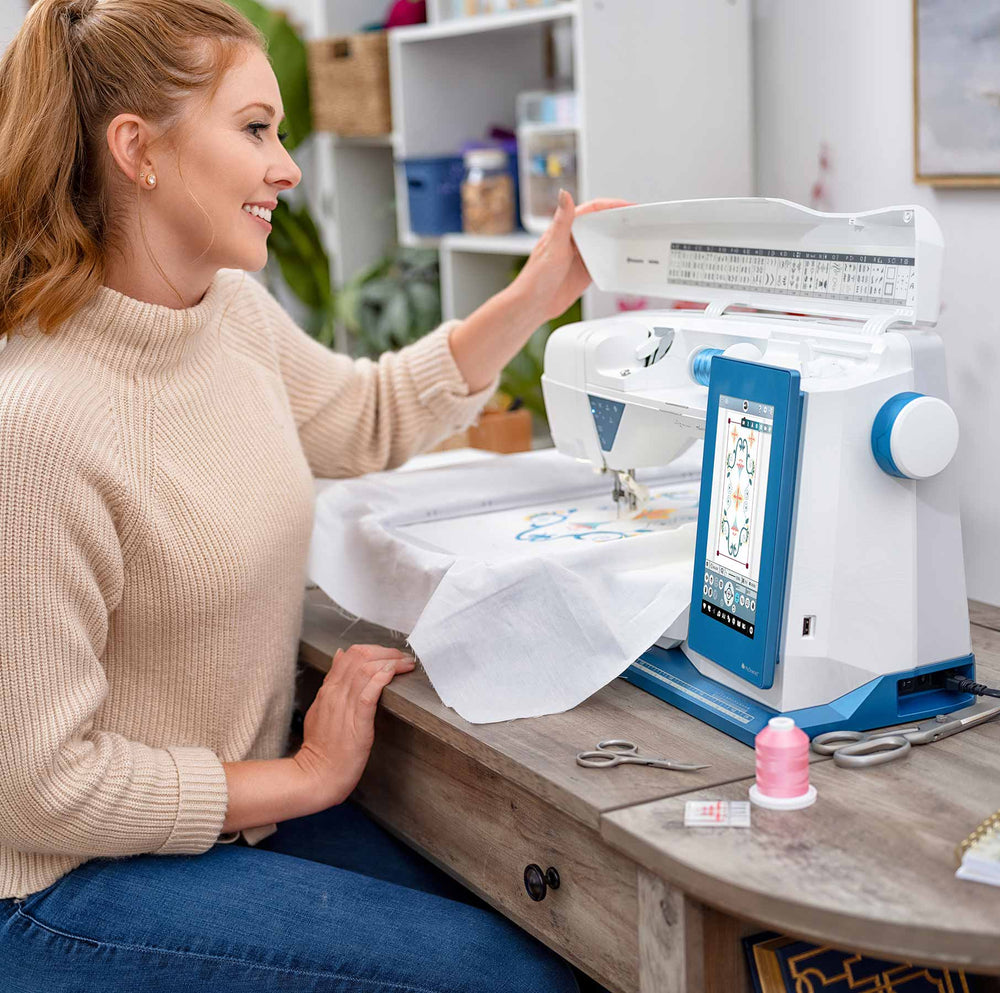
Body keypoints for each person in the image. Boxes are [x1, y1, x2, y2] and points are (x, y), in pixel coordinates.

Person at [0, 0, 628, 990]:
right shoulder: (36, 425)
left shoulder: (227, 318)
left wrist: (538, 290)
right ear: (139, 150)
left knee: (573, 931)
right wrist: (302, 777)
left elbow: (365, 413)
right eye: (255, 130)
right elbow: (36, 789)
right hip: (62, 885)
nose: (287, 167)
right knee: (518, 979)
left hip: (219, 827)